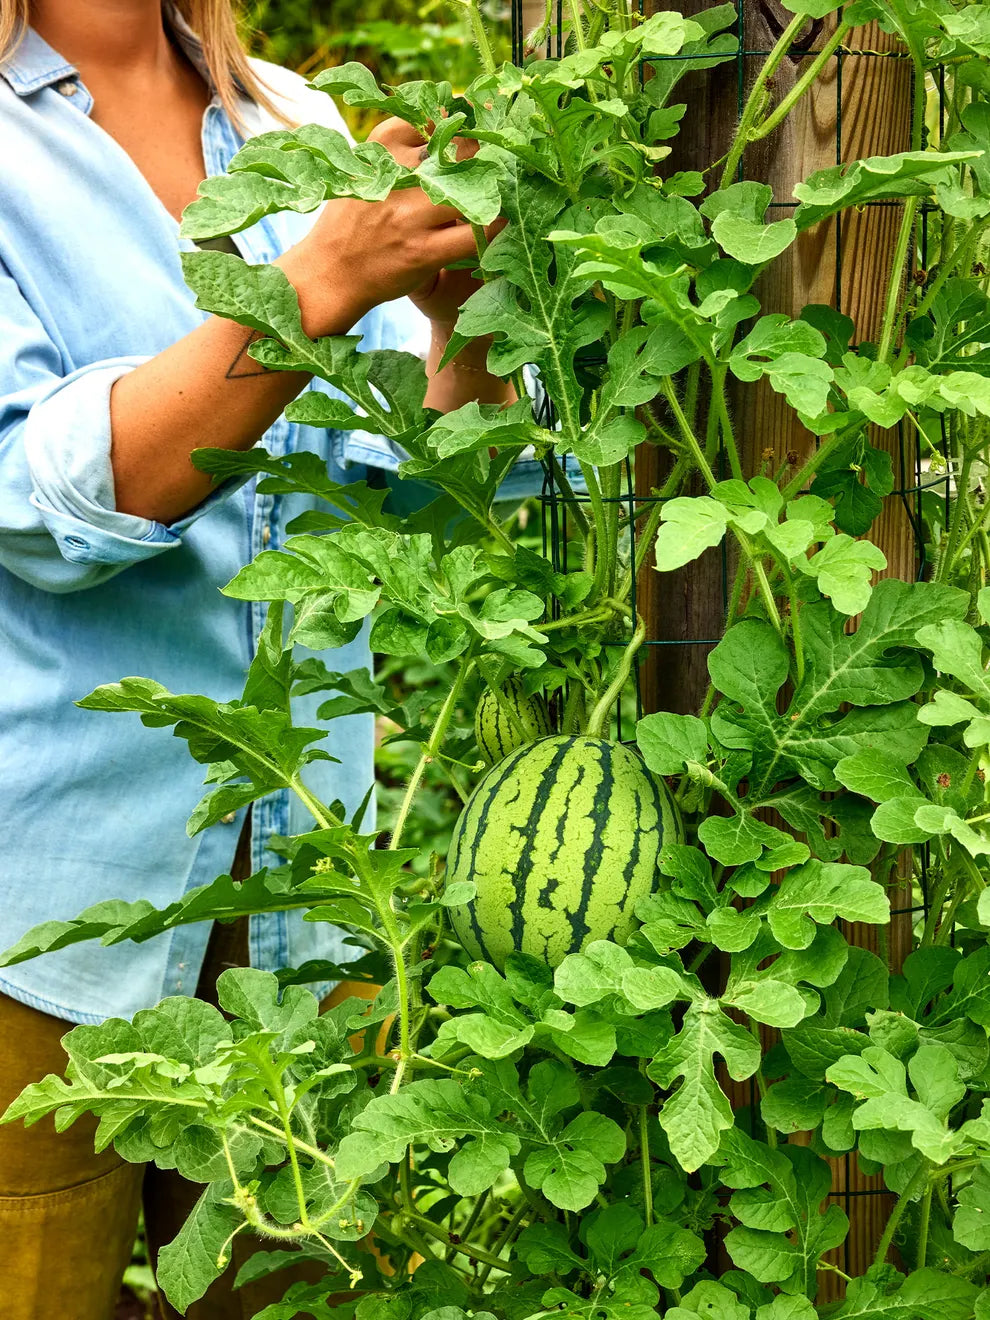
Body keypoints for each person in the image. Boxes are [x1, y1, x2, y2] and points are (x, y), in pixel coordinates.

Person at [0, 2, 516, 1316]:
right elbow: (36, 506)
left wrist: (464, 320)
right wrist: (315, 288)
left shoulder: (295, 118)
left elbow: (403, 500)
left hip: (306, 906)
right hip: (40, 915)